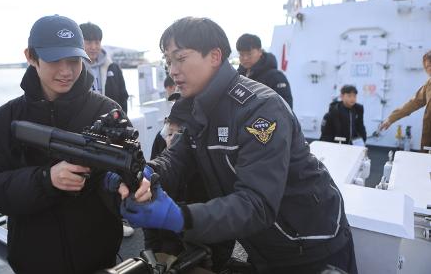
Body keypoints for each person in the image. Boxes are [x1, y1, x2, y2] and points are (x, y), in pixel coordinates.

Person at [120, 17, 357, 273]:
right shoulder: (198, 107)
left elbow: (257, 204)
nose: (172, 70)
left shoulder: (260, 108)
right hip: (263, 245)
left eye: (180, 58)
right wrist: (139, 174)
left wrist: (180, 217)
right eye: (168, 61)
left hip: (311, 244)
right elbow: (175, 160)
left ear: (214, 56)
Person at [0, 15, 150, 274]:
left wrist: (127, 188)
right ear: (31, 57)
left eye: (74, 61)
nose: (66, 71)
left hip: (100, 257)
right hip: (33, 260)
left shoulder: (108, 111)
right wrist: (45, 179)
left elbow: (125, 168)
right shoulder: (4, 119)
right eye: (54, 60)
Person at [380, 51, 431, 150]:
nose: (429, 69)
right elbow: (413, 103)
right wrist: (391, 118)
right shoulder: (429, 84)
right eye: (427, 67)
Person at [79, 22, 129, 113]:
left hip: (110, 122)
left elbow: (123, 97)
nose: (93, 47)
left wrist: (123, 120)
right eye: (89, 42)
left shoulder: (113, 68)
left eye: (97, 42)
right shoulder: (73, 70)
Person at [236, 33, 293, 108]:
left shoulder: (276, 77)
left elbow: (284, 108)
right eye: (241, 54)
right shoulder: (238, 76)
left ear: (260, 51)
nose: (245, 58)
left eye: (249, 54)